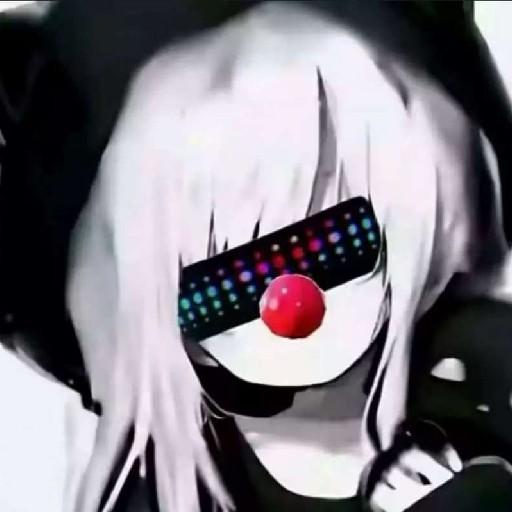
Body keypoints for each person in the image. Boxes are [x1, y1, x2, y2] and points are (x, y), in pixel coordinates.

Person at [65, 3, 511, 511]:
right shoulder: (175, 488)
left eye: (334, 245)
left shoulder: (484, 382)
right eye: (226, 288)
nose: (290, 304)